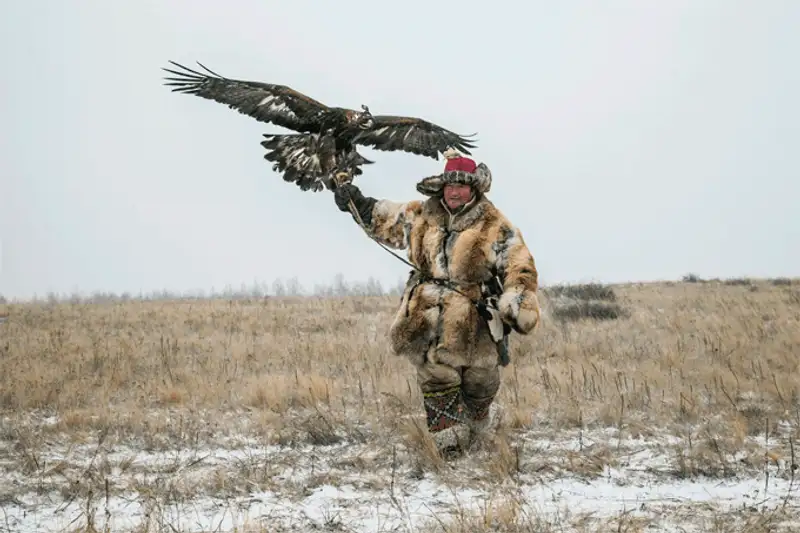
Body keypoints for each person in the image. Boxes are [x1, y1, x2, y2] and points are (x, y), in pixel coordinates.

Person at [333, 149, 541, 455]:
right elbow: (384, 219)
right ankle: (449, 451)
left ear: (474, 189)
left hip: (476, 317)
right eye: (450, 185)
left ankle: (476, 429)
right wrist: (354, 201)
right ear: (442, 187)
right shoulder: (421, 214)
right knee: (437, 378)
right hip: (425, 314)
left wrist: (518, 300)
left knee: (480, 382)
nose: (454, 191)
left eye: (462, 186)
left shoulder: (494, 224)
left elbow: (519, 263)